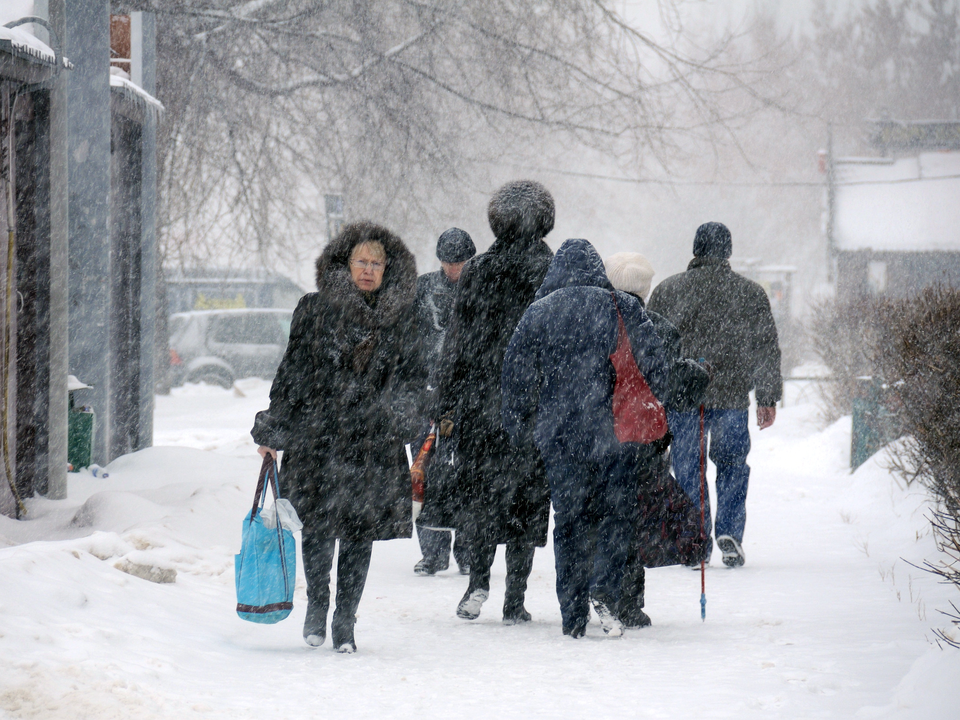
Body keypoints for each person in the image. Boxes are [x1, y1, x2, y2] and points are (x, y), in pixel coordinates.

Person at [502, 238, 705, 638]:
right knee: (616, 516)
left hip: (559, 438)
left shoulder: (538, 312)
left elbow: (516, 379)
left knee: (570, 522)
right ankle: (605, 589)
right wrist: (693, 383)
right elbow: (657, 371)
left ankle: (572, 613)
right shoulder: (624, 307)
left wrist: (520, 429)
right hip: (614, 435)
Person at [251, 222, 425, 653]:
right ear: (344, 266)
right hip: (319, 437)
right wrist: (273, 427)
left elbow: (415, 378)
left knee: (359, 533)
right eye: (360, 262)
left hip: (373, 442)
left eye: (376, 263)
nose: (368, 269)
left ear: (389, 269)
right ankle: (318, 604)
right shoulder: (313, 309)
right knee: (317, 527)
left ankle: (345, 619)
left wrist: (400, 414)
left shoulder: (403, 315)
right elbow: (291, 373)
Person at [433, 180, 555, 625]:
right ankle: (515, 598)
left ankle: (478, 581)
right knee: (527, 498)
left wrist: (446, 403)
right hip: (534, 407)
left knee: (482, 496)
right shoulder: (553, 268)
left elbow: (457, 343)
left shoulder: (479, 270)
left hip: (481, 403)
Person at [647, 222, 782, 568]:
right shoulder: (750, 293)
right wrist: (767, 396)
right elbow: (766, 347)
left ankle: (696, 539)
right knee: (733, 464)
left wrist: (652, 394)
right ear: (728, 252)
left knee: (689, 468)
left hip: (683, 398)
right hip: (732, 395)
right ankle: (730, 533)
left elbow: (651, 345)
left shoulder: (668, 290)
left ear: (695, 249)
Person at [604, 251, 708, 628]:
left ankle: (601, 590)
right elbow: (672, 390)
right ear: (646, 288)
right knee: (636, 517)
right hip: (647, 435)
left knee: (604, 514)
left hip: (604, 434)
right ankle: (630, 602)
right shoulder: (661, 329)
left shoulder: (594, 323)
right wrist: (695, 376)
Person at [412, 227, 476, 576]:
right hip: (428, 394)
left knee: (468, 472)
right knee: (424, 471)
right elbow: (409, 339)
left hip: (468, 396)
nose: (454, 269)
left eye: (461, 262)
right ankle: (432, 553)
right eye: (449, 263)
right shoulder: (423, 289)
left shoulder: (482, 287)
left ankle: (468, 551)